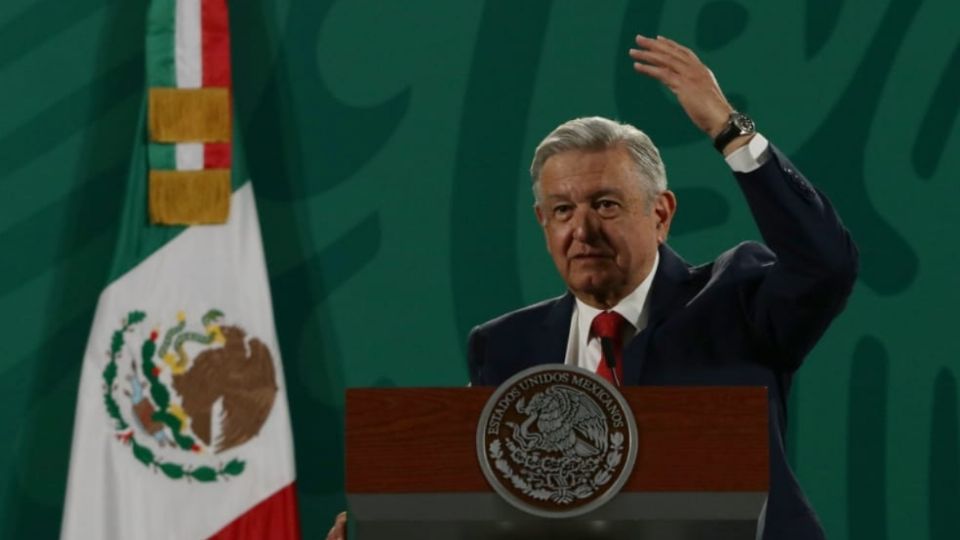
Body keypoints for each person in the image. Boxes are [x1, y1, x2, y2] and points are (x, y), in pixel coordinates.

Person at [328, 34, 857, 540]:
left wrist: (729, 130)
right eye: (562, 211)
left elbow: (826, 264)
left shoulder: (735, 300)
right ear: (543, 223)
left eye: (605, 204)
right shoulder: (505, 348)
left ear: (661, 214)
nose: (581, 231)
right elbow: (478, 509)